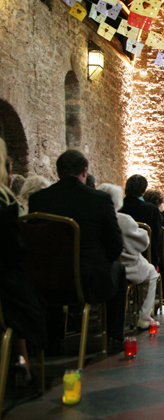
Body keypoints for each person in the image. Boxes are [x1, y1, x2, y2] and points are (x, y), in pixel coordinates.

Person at [28, 150, 127, 353]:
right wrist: (101, 262)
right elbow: (115, 244)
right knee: (119, 271)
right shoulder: (100, 199)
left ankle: (54, 340)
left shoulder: (38, 199)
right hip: (88, 280)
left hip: (46, 280)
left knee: (56, 266)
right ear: (84, 171)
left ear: (58, 172)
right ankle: (114, 338)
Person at [0, 139, 47, 386]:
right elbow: (13, 255)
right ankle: (24, 364)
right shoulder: (5, 206)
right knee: (27, 302)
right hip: (7, 285)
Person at [98, 183, 159, 329]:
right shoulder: (123, 219)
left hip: (99, 265)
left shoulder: (92, 218)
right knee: (151, 274)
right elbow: (142, 243)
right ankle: (144, 316)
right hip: (125, 266)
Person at [120, 175, 163, 269]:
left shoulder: (118, 206)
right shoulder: (152, 210)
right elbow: (157, 237)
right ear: (143, 190)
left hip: (120, 256)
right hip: (146, 257)